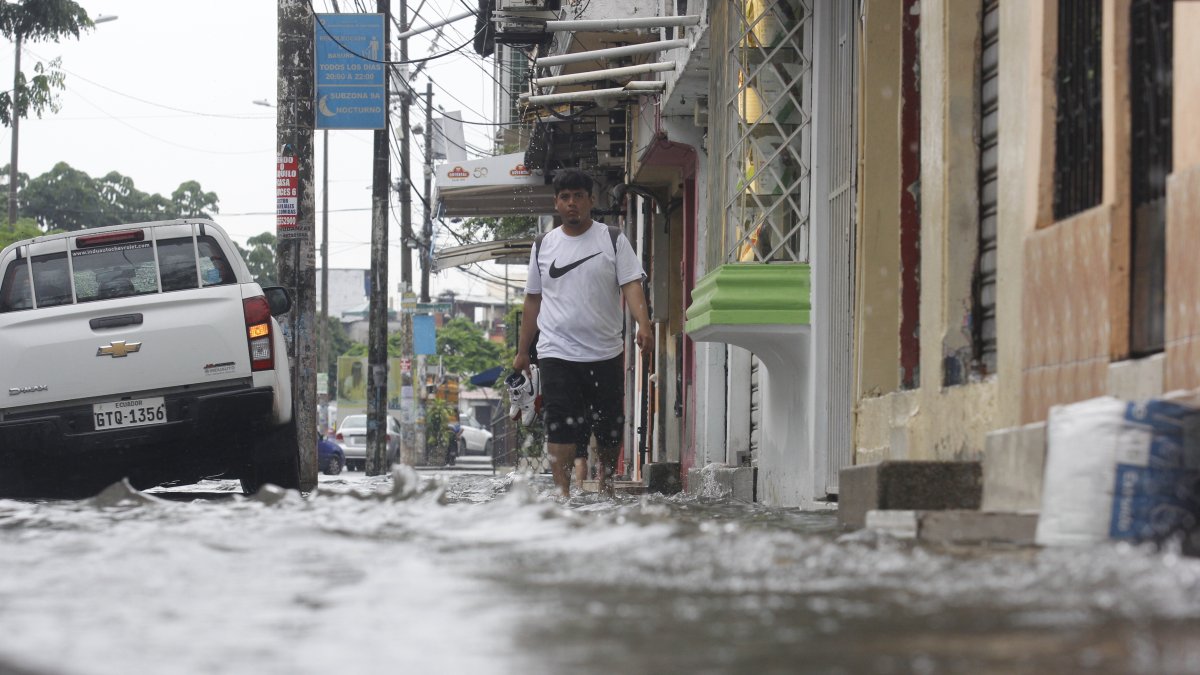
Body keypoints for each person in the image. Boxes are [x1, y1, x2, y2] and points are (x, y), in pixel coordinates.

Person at [512, 168, 653, 497]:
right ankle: (562, 493)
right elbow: (533, 299)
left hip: (605, 351)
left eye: (578, 196)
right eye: (565, 197)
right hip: (555, 352)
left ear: (591, 200)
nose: (572, 203)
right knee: (559, 422)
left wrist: (643, 324)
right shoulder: (543, 245)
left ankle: (606, 483)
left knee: (609, 425)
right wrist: (522, 351)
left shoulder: (613, 238)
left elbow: (631, 283)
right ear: (556, 203)